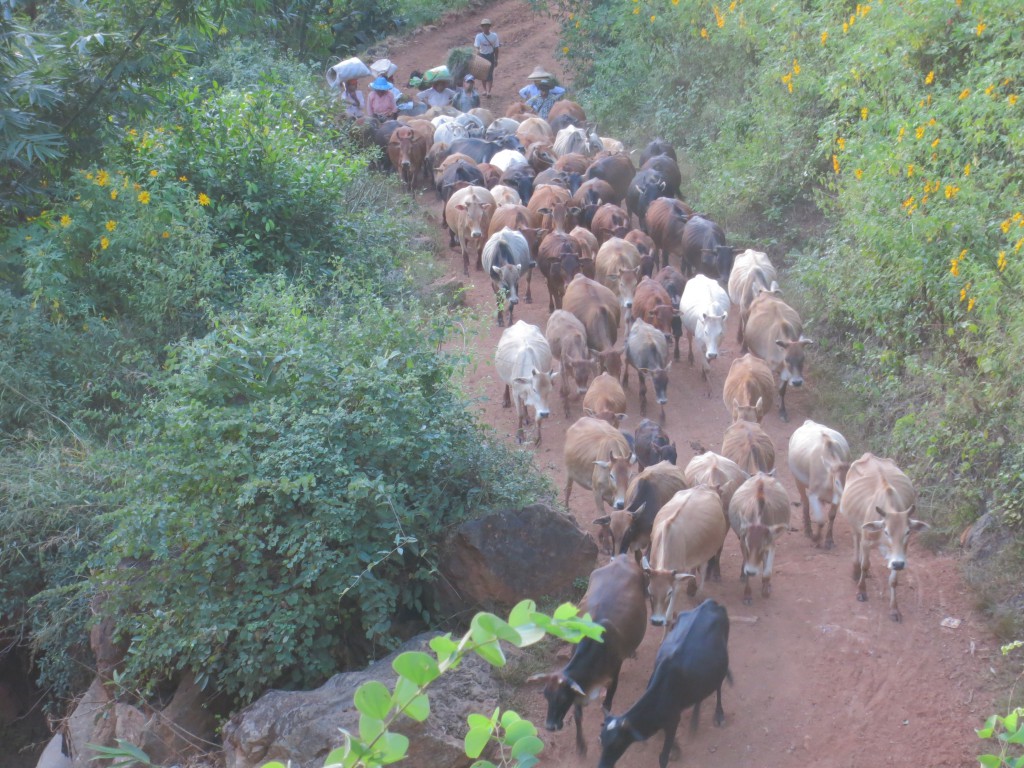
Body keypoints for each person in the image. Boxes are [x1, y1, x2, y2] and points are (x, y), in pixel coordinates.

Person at [473, 18, 500, 97]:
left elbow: (496, 48)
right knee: (483, 74)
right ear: (482, 27)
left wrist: (496, 59)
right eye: (484, 26)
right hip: (482, 56)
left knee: (490, 73)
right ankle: (485, 90)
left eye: (487, 26)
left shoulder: (494, 36)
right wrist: (477, 55)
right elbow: (477, 47)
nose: (485, 28)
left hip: (490, 55)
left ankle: (489, 91)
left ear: (489, 27)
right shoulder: (479, 37)